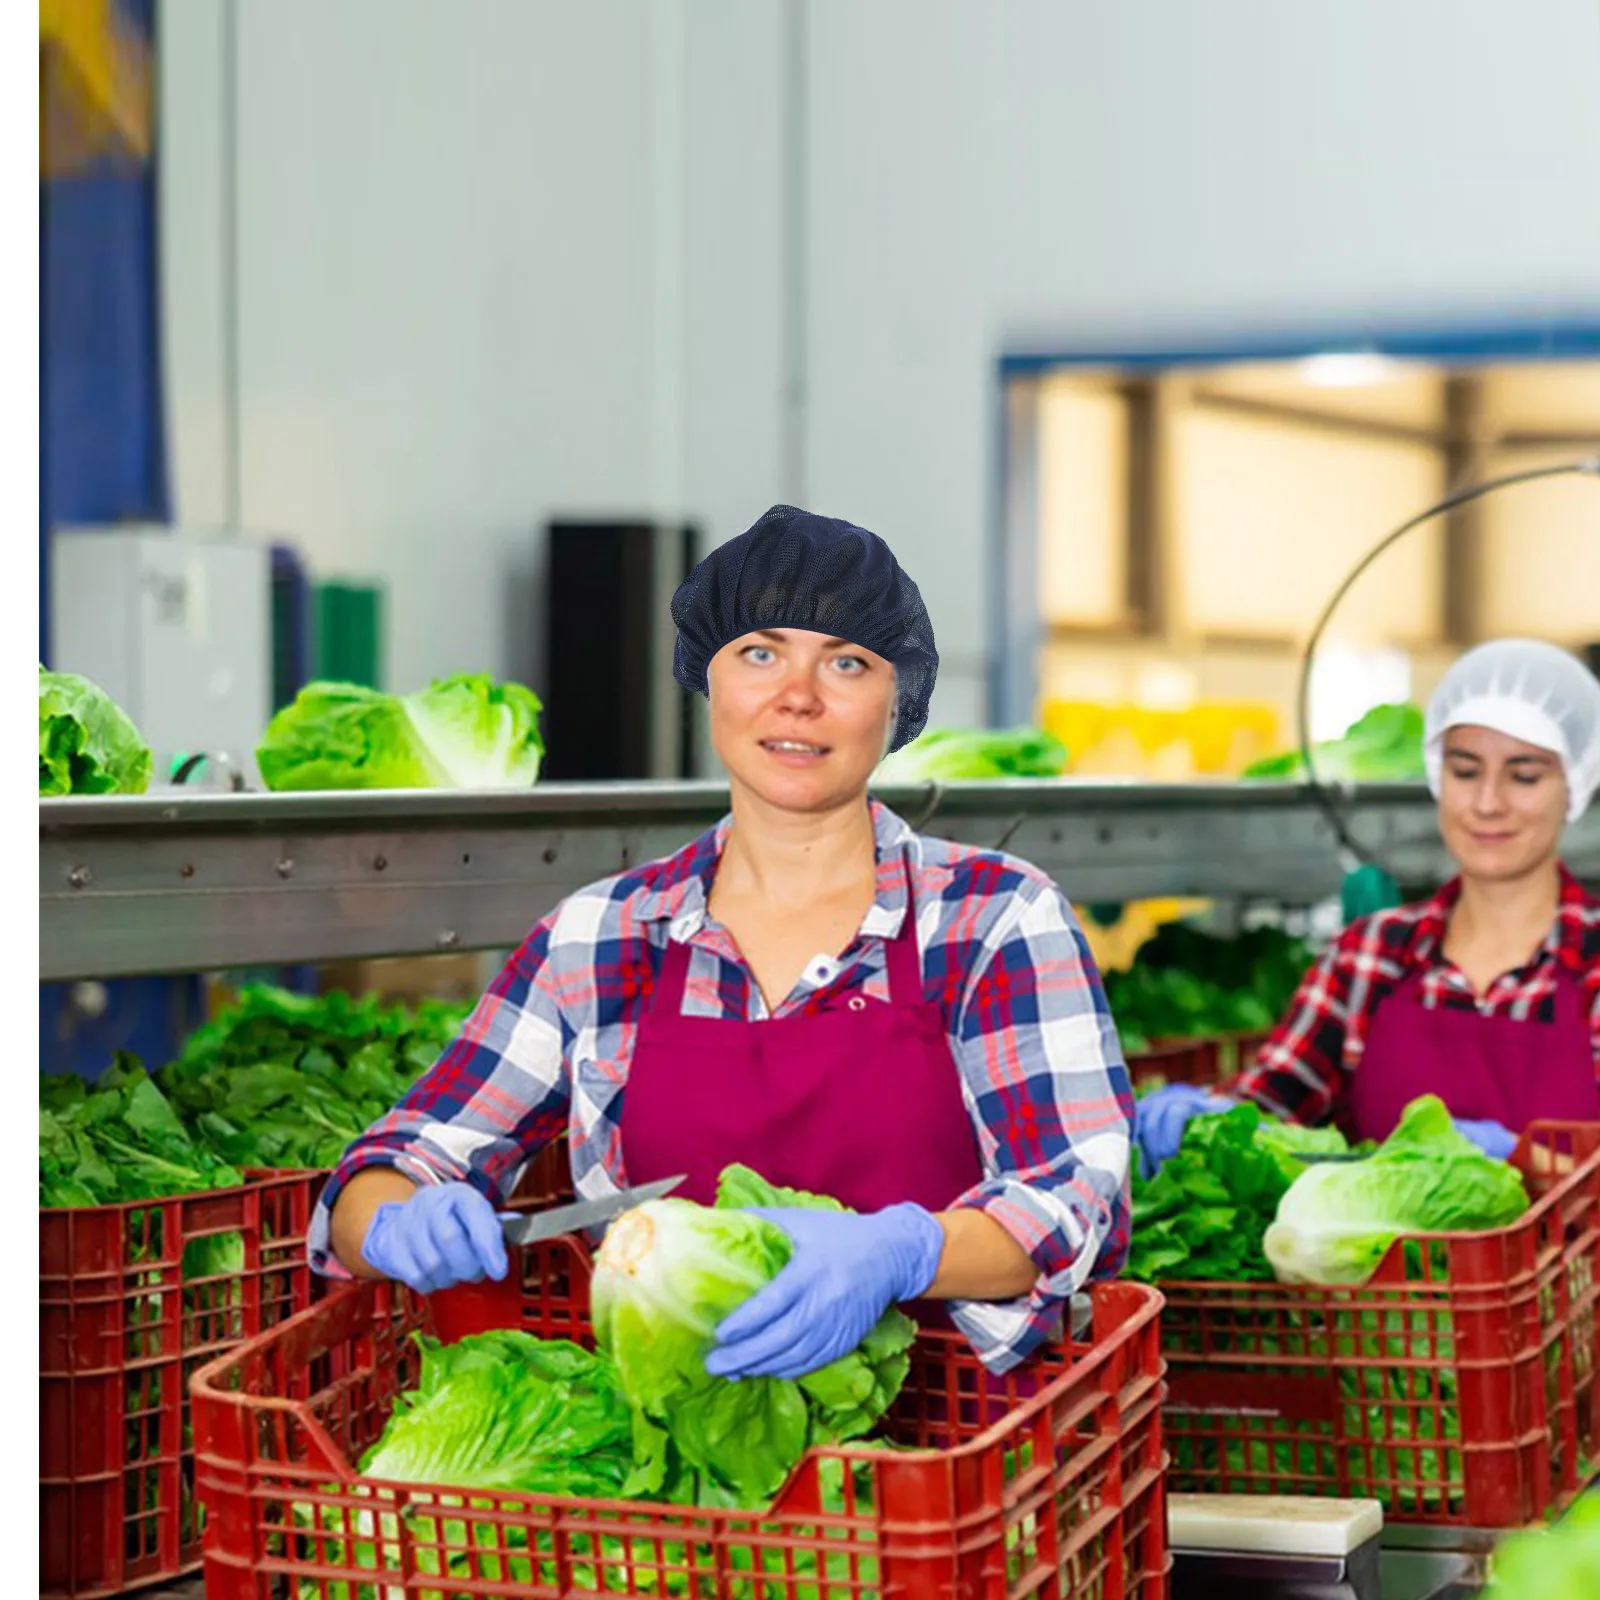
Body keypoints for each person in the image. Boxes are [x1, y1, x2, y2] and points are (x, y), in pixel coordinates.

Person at [311, 504, 1134, 1377]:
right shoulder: (602, 937)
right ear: (709, 679)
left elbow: (1076, 1195)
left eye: (847, 663)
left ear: (898, 703)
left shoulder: (992, 918)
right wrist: (399, 1216)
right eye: (760, 653)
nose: (798, 696)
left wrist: (905, 1251)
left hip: (954, 1438)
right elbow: (402, 1159)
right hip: (675, 1440)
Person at [1137, 638, 1600, 1175]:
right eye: (1465, 771)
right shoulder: (1371, 955)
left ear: (1575, 784)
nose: (1487, 802)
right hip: (1376, 1237)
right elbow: (1274, 1099)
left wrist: (1527, 1161)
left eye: (1524, 776)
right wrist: (1211, 1118)